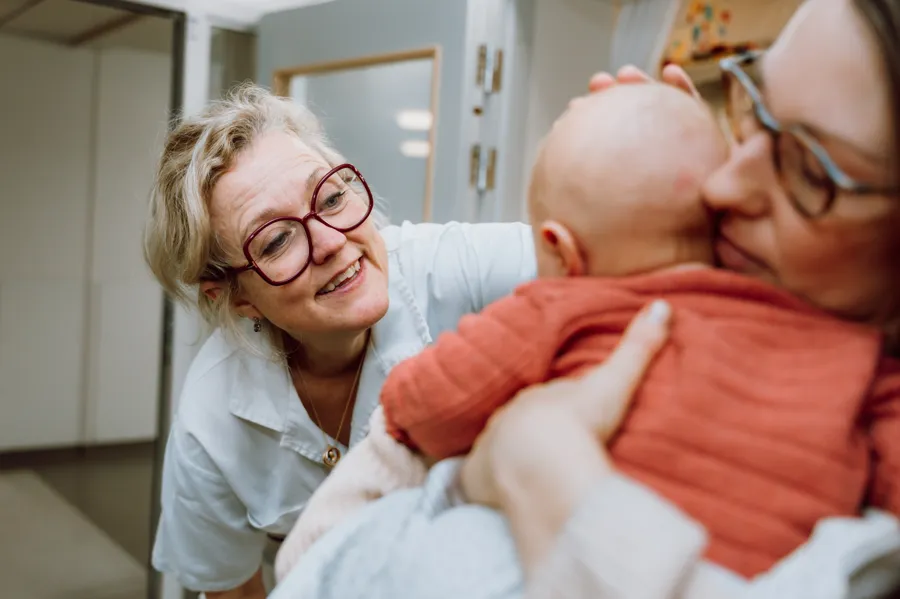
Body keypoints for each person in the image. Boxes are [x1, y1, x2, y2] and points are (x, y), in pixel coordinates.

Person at [267, 0, 900, 596]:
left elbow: (417, 415)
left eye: (809, 169)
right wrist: (662, 208)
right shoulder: (859, 368)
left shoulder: (563, 309)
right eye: (752, 110)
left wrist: (541, 470)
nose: (723, 186)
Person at [143, 84, 535, 597]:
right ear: (235, 297)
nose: (331, 241)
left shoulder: (453, 269)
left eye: (331, 197)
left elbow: (612, 263)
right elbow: (231, 589)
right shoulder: (211, 422)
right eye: (276, 240)